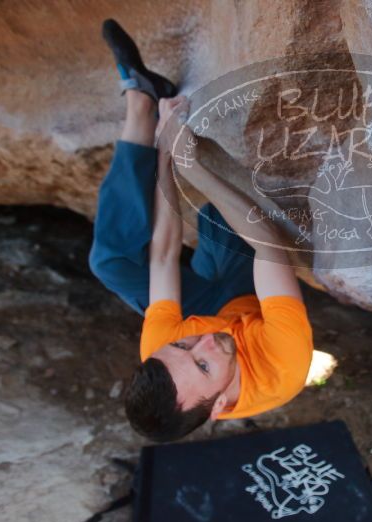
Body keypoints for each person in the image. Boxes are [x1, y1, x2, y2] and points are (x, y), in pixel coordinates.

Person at [89, 20, 313, 442]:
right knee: (222, 216)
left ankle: (141, 102)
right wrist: (191, 165)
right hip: (251, 291)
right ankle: (217, 236)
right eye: (204, 365)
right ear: (221, 405)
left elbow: (162, 256)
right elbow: (268, 246)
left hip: (211, 299)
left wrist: (165, 151)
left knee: (111, 263)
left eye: (183, 346)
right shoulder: (282, 365)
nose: (204, 341)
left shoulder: (163, 356)